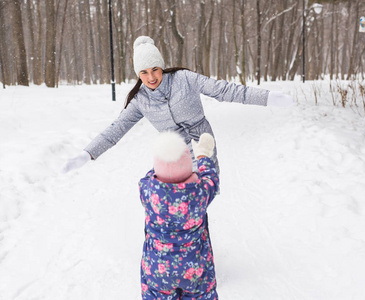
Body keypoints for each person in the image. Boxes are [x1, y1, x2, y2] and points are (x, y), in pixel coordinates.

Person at [61, 35, 293, 174]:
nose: (151, 77)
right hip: (173, 155)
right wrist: (87, 154)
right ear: (138, 74)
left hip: (203, 146)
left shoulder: (184, 79)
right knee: (176, 208)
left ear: (162, 67)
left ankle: (199, 248)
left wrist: (267, 97)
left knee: (201, 199)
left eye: (155, 70)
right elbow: (115, 130)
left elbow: (223, 90)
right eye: (144, 72)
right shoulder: (140, 100)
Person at [139, 131, 219, 299]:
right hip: (195, 267)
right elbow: (211, 177)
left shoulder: (146, 190)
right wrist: (203, 154)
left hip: (157, 269)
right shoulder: (200, 192)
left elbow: (149, 176)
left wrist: (165, 156)